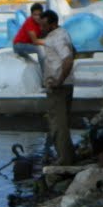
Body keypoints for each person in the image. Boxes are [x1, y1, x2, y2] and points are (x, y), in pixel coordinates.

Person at [38, 9, 76, 165]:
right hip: (67, 83)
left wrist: (59, 80)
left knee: (58, 124)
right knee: (63, 122)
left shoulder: (56, 38)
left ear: (53, 24)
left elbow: (68, 59)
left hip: (59, 87)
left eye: (44, 25)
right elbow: (74, 51)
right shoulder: (63, 33)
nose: (41, 28)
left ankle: (64, 159)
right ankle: (67, 155)